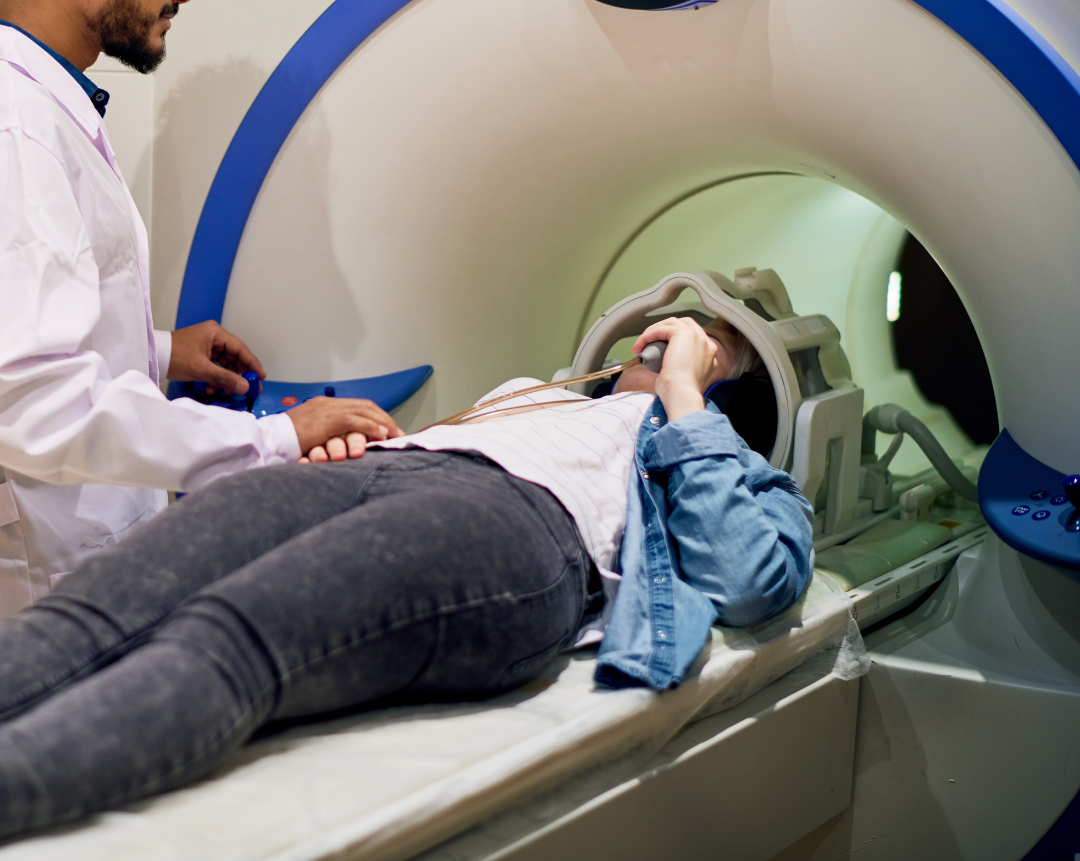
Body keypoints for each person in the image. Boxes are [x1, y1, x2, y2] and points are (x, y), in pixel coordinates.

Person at [0, 315, 813, 838]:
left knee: (228, 633)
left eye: (704, 340)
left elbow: (749, 577)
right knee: (101, 605)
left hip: (517, 525)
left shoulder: (727, 458)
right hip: (398, 469)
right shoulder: (538, 393)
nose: (670, 333)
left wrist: (683, 399)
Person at [0, 0, 398, 615]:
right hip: (45, 591)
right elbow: (30, 402)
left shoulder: (46, 108)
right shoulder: (18, 127)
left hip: (87, 563)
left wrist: (157, 353)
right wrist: (276, 438)